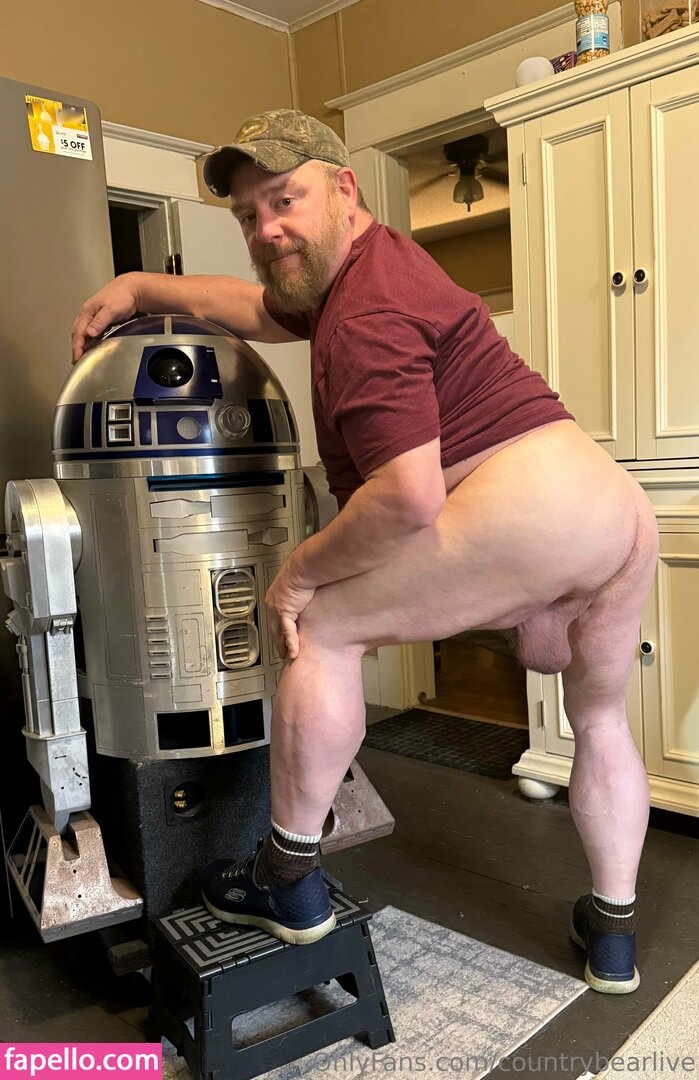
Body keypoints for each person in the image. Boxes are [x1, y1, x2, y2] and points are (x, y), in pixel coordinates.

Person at [72, 108, 659, 992]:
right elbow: (259, 310)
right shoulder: (371, 264)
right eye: (247, 215)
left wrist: (294, 576)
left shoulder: (363, 315)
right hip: (610, 510)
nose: (267, 230)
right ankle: (611, 935)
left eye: (285, 200)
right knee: (600, 716)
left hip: (526, 505)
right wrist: (141, 286)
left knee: (321, 625)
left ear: (343, 188)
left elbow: (407, 499)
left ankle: (285, 879)